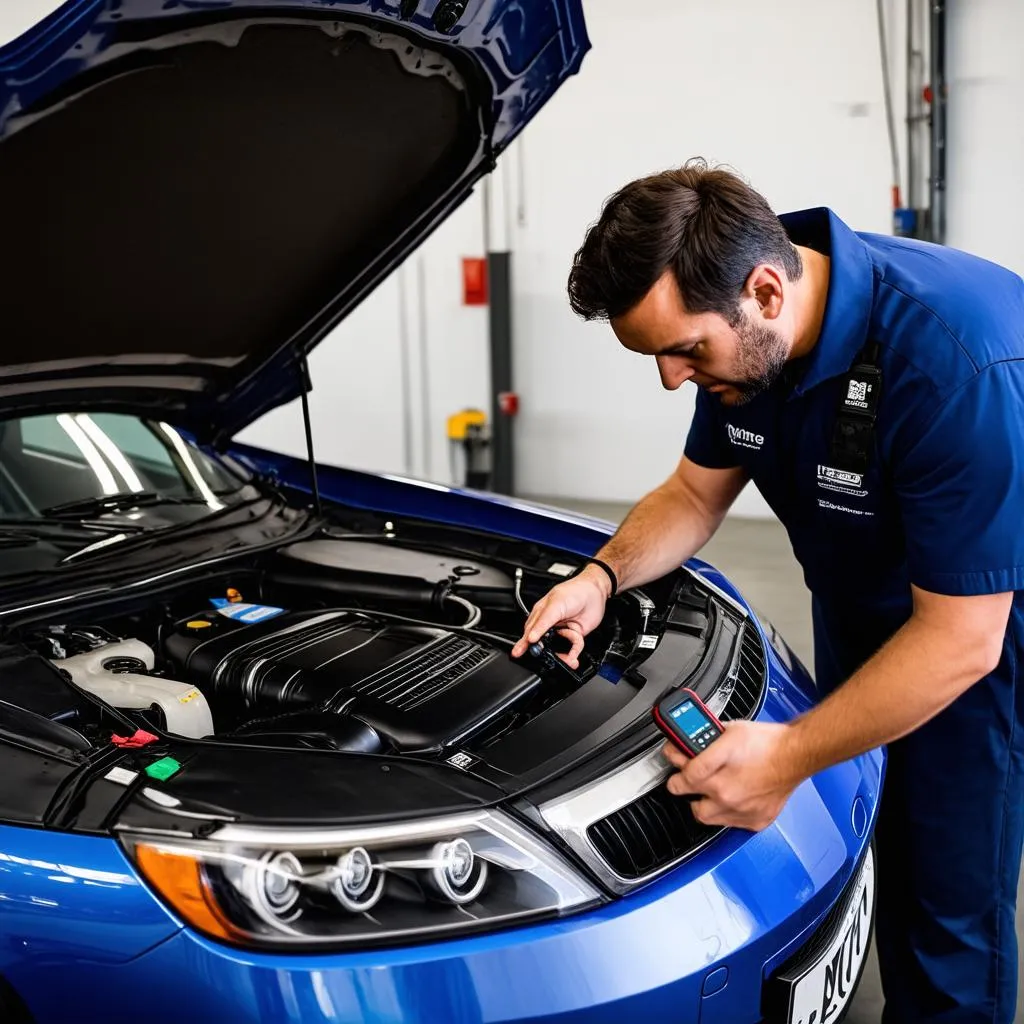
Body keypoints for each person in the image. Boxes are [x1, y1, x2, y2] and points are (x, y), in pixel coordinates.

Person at [510, 159, 1024, 1024]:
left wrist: (785, 759)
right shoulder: (749, 350)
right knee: (876, 846)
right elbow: (692, 494)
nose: (673, 380)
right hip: (862, 611)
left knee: (947, 912)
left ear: (766, 293)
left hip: (975, 640)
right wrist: (600, 577)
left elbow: (961, 639)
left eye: (683, 351)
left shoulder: (952, 363)